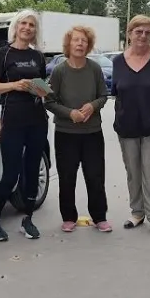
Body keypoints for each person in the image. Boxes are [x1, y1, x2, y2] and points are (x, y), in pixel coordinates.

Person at [0, 9, 50, 241]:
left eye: (32, 25)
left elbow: (42, 88)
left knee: (31, 172)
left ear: (35, 30)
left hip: (37, 121)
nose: (27, 28)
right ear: (16, 26)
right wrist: (14, 85)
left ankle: (27, 219)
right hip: (12, 121)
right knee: (11, 174)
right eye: (24, 23)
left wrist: (42, 89)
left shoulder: (38, 56)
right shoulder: (3, 54)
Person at [111, 15, 150, 237]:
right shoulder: (118, 61)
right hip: (127, 126)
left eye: (148, 32)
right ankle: (137, 212)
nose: (143, 36)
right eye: (138, 31)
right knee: (134, 173)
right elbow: (117, 92)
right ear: (129, 34)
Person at [45, 25, 111, 233]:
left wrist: (93, 106)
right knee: (67, 177)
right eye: (76, 40)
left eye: (84, 40)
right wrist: (69, 113)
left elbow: (104, 96)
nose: (80, 44)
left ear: (88, 45)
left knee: (95, 176)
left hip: (92, 133)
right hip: (66, 133)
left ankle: (99, 217)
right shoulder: (59, 71)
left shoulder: (94, 69)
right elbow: (49, 101)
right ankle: (68, 217)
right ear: (69, 44)